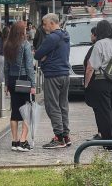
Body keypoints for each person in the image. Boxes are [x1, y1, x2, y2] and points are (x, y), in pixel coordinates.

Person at [85, 20, 112, 151]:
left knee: (105, 113)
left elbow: (91, 66)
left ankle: (109, 144)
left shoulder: (99, 44)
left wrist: (86, 84)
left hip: (101, 81)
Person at [34, 13, 71, 149]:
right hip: (65, 74)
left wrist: (44, 57)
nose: (43, 27)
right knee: (63, 106)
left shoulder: (52, 37)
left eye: (45, 24)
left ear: (52, 23)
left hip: (53, 74)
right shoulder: (65, 35)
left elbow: (38, 54)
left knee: (52, 106)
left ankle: (59, 137)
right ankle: (65, 135)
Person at [4, 21, 35, 152]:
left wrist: (6, 83)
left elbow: (5, 67)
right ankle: (23, 141)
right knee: (27, 111)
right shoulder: (25, 45)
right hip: (23, 80)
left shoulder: (7, 45)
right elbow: (29, 66)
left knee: (15, 111)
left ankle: (14, 141)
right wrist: (33, 84)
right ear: (22, 32)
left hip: (11, 79)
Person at [83, 27, 101, 141]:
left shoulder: (96, 47)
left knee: (98, 109)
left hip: (95, 82)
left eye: (91, 34)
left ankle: (101, 133)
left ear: (95, 35)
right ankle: (101, 132)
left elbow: (90, 67)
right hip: (100, 81)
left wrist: (86, 84)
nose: (90, 36)